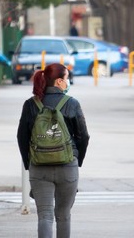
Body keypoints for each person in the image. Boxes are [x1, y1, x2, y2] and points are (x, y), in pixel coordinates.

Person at [17, 63, 90, 238]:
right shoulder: (72, 103)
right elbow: (84, 136)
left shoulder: (30, 104)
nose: (68, 82)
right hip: (67, 167)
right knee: (63, 216)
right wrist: (76, 160)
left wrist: (30, 164)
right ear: (58, 81)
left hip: (39, 168)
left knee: (45, 216)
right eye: (66, 78)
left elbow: (22, 137)